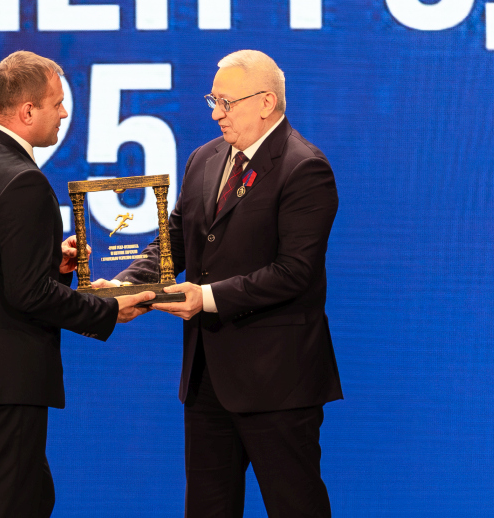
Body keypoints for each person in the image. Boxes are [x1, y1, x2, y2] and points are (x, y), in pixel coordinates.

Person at [95, 50, 342, 517]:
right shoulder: (204, 159)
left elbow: (295, 272)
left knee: (295, 506)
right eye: (213, 100)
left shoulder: (304, 167)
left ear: (266, 102)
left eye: (227, 102)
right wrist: (124, 287)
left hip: (277, 381)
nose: (215, 113)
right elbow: (173, 244)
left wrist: (206, 298)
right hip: (207, 378)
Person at [0, 50, 154, 518]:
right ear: (28, 111)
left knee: (28, 496)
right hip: (6, 377)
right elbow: (27, 293)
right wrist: (109, 310)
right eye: (58, 103)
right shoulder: (23, 181)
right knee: (12, 504)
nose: (64, 113)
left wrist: (53, 263)